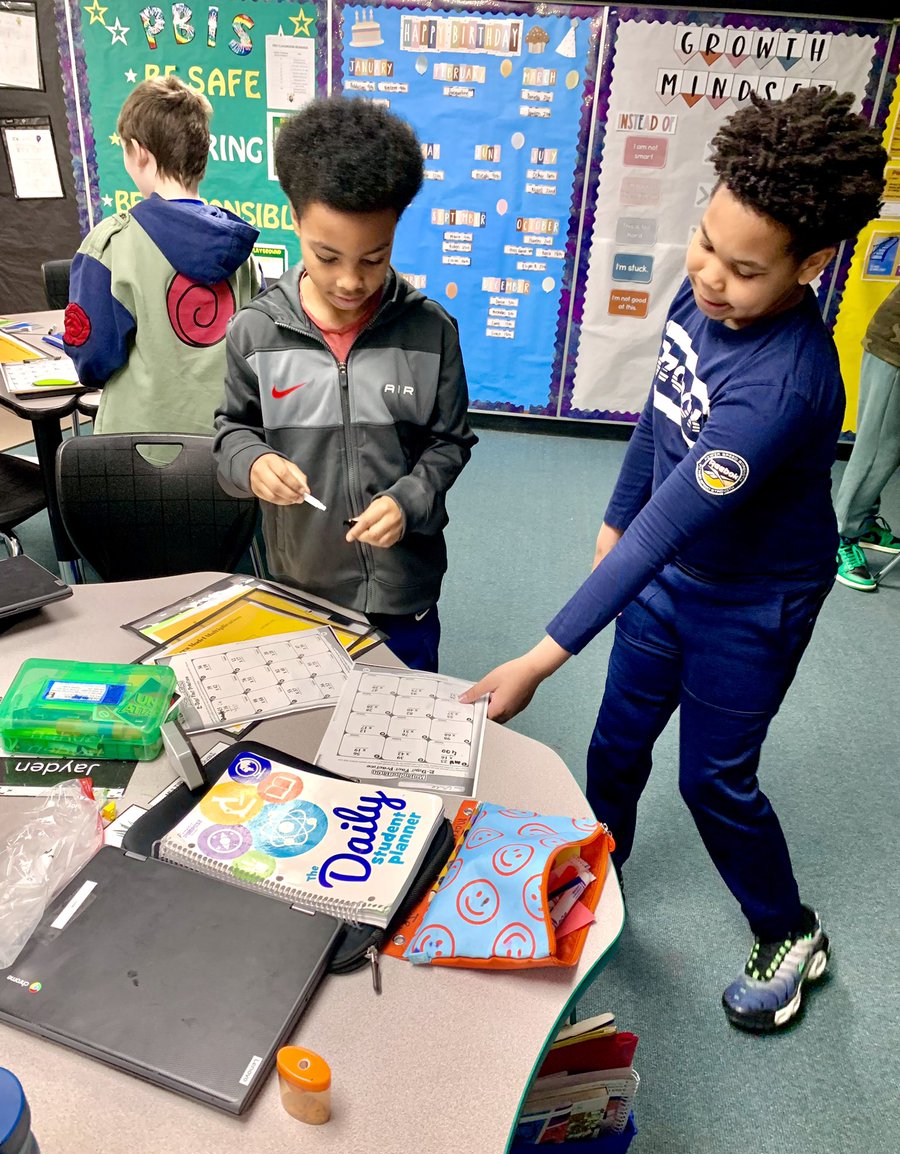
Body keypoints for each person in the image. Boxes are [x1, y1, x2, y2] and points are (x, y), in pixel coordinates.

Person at [462, 88, 886, 1032]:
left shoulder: (785, 383)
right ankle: (600, 874)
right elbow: (661, 420)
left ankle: (791, 930)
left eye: (744, 269)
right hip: (669, 578)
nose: (708, 276)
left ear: (811, 264)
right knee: (616, 740)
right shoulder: (699, 305)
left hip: (754, 601)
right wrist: (616, 519)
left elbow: (673, 526)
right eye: (706, 241)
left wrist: (539, 656)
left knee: (713, 779)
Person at [213, 97, 476, 671]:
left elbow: (449, 443)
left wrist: (410, 500)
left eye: (374, 258)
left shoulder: (430, 332)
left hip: (402, 594)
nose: (350, 281)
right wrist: (252, 462)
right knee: (306, 731)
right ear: (295, 219)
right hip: (301, 586)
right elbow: (231, 430)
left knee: (397, 736)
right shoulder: (256, 331)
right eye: (327, 256)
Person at [64, 76, 260, 441]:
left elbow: (93, 361)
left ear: (139, 152)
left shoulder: (112, 244)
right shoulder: (243, 256)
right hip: (224, 448)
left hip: (134, 451)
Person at [834, 282, 900, 591]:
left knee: (883, 447)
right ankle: (840, 536)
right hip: (895, 348)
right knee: (879, 450)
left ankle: (865, 522)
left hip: (890, 340)